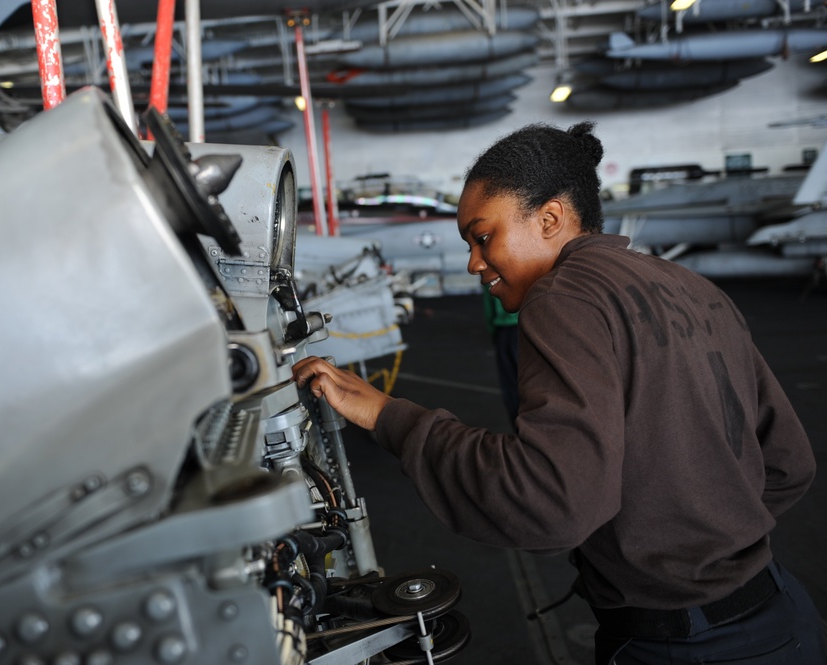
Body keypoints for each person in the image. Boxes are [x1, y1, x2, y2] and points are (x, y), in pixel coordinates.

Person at [293, 121, 824, 664]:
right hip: (782, 616)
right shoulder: (693, 287)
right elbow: (787, 464)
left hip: (686, 644)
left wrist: (390, 417)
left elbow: (551, 502)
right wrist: (706, 536)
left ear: (550, 219)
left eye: (482, 237)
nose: (474, 262)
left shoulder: (563, 297)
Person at [482, 287, 520, 428]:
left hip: (503, 332)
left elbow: (488, 307)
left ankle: (519, 428)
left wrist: (494, 332)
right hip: (525, 324)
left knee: (510, 385)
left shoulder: (489, 273)